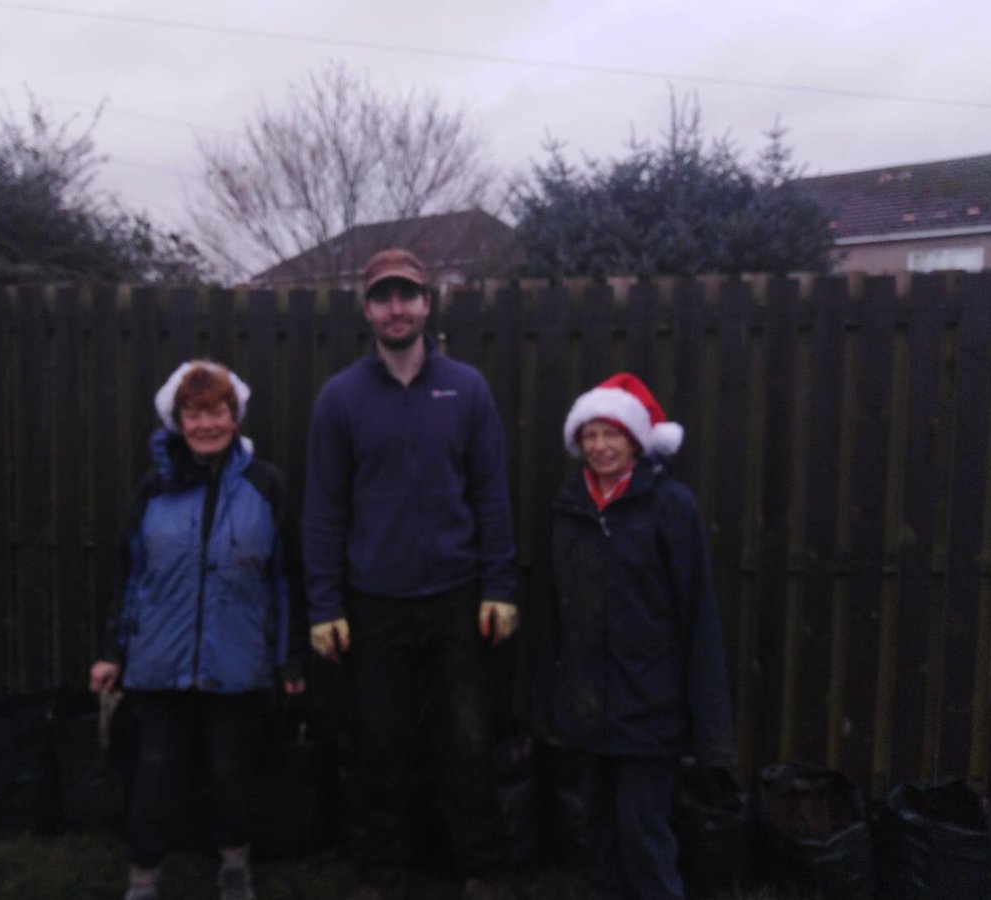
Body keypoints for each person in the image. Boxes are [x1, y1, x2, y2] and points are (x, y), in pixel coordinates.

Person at [302, 248, 518, 900]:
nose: (396, 308)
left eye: (407, 295)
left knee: (468, 738)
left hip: (457, 596)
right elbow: (324, 509)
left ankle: (480, 868)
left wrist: (500, 586)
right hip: (374, 600)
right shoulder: (340, 397)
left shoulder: (467, 389)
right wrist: (323, 603)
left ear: (427, 303)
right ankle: (383, 874)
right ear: (367, 309)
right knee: (381, 744)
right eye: (383, 297)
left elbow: (491, 495)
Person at [89, 360, 303, 900]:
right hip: (159, 661)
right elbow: (129, 574)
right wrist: (112, 652)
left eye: (217, 412)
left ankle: (234, 867)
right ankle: (143, 876)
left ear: (235, 417)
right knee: (154, 773)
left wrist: (289, 658)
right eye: (194, 414)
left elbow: (284, 580)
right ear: (178, 421)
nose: (206, 424)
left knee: (232, 774)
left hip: (237, 663)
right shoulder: (154, 487)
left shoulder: (265, 485)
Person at [535, 372, 735, 900]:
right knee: (597, 827)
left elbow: (697, 612)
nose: (600, 446)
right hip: (587, 703)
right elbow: (555, 612)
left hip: (650, 704)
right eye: (591, 435)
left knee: (644, 831)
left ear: (636, 442)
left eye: (612, 434)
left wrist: (709, 725)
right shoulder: (569, 507)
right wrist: (551, 702)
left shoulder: (671, 505)